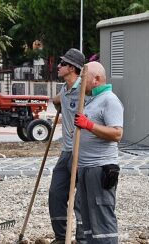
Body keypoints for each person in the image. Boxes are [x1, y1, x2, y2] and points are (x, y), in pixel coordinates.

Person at [74, 61, 124, 244]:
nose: (80, 82)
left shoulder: (110, 100)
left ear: (96, 79)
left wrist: (89, 125)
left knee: (102, 216)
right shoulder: (92, 100)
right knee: (88, 218)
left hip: (101, 167)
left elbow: (117, 133)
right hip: (87, 168)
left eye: (83, 78)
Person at [49, 48, 87, 244]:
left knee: (80, 200)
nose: (58, 66)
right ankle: (61, 237)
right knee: (56, 193)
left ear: (72, 68)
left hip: (82, 152)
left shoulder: (84, 90)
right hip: (66, 151)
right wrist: (57, 104)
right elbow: (57, 100)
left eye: (62, 64)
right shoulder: (65, 89)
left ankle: (82, 239)